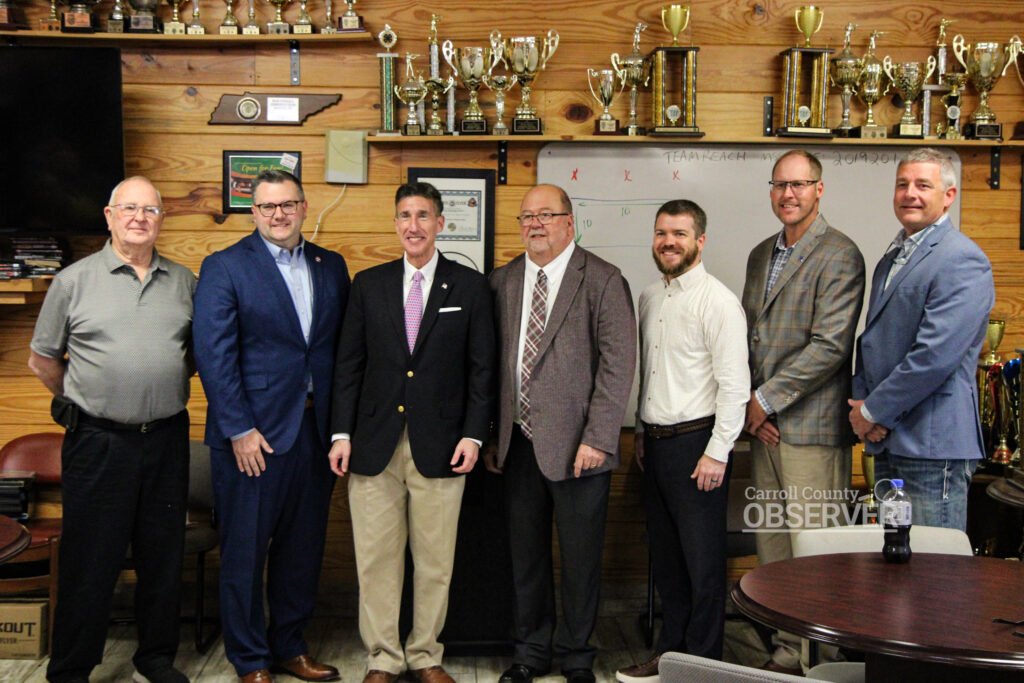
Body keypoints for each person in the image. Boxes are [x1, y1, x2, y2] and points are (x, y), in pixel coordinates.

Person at [29, 176, 195, 683]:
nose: (140, 218)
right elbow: (43, 361)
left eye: (150, 210)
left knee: (162, 556)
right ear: (109, 215)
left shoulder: (185, 281)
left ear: (162, 219)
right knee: (90, 560)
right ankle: (73, 668)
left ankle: (156, 659)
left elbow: (189, 358)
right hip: (98, 442)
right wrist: (86, 399)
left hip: (166, 437)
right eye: (129, 208)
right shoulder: (73, 281)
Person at [329, 182, 495, 683]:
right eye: (405, 215)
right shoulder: (369, 284)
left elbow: (482, 370)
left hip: (443, 446)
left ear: (440, 224)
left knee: (435, 562)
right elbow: (348, 366)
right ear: (395, 223)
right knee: (376, 561)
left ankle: (426, 656)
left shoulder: (469, 287)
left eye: (424, 215)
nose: (414, 226)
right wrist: (341, 433)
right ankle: (382, 657)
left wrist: (474, 435)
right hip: (373, 444)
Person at [193, 170, 350, 683]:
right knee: (244, 550)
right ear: (253, 212)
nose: (278, 215)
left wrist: (341, 428)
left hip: (313, 430)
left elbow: (339, 352)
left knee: (302, 548)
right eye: (266, 207)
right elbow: (214, 356)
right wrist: (238, 429)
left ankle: (289, 647)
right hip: (252, 437)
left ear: (305, 207)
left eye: (287, 204)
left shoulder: (331, 266)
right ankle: (250, 657)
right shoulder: (225, 266)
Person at [486, 184, 636, 683]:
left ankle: (576, 656)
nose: (535, 224)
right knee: (525, 557)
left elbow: (618, 366)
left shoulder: (602, 279)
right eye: (527, 216)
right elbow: (489, 366)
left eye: (546, 215)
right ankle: (530, 653)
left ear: (570, 223)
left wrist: (598, 438)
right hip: (518, 444)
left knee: (579, 559)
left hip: (580, 449)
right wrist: (491, 436)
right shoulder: (502, 281)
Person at [740, 150, 865, 674]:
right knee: (774, 548)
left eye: (799, 184)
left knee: (817, 549)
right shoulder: (760, 253)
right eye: (779, 185)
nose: (788, 194)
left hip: (810, 429)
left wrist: (763, 399)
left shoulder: (840, 254)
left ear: (819, 189)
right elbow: (751, 337)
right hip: (763, 429)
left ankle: (826, 657)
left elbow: (830, 346)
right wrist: (751, 406)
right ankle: (789, 651)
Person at [616, 200, 749, 683]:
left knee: (702, 565)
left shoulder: (719, 302)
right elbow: (651, 375)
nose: (668, 241)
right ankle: (670, 658)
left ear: (700, 240)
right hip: (656, 446)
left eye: (679, 233)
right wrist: (643, 438)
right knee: (668, 561)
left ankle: (704, 666)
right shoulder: (650, 296)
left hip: (699, 449)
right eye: (660, 233)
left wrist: (717, 452)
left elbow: (734, 387)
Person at [850, 148, 994, 531]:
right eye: (902, 184)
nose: (909, 193)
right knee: (897, 569)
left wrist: (870, 412)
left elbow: (933, 357)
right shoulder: (894, 255)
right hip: (889, 440)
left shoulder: (961, 259)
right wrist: (867, 408)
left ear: (949, 195)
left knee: (936, 575)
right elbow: (873, 341)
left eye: (922, 185)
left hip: (933, 447)